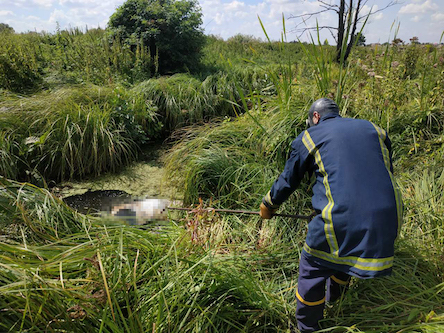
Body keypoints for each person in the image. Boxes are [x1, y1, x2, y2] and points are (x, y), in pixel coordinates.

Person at [259, 98, 403, 332]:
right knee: (343, 253)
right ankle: (336, 299)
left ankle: (307, 327)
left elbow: (288, 180)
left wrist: (268, 205)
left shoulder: (310, 136)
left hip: (342, 219)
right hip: (390, 216)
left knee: (312, 265)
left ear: (315, 117)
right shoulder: (374, 129)